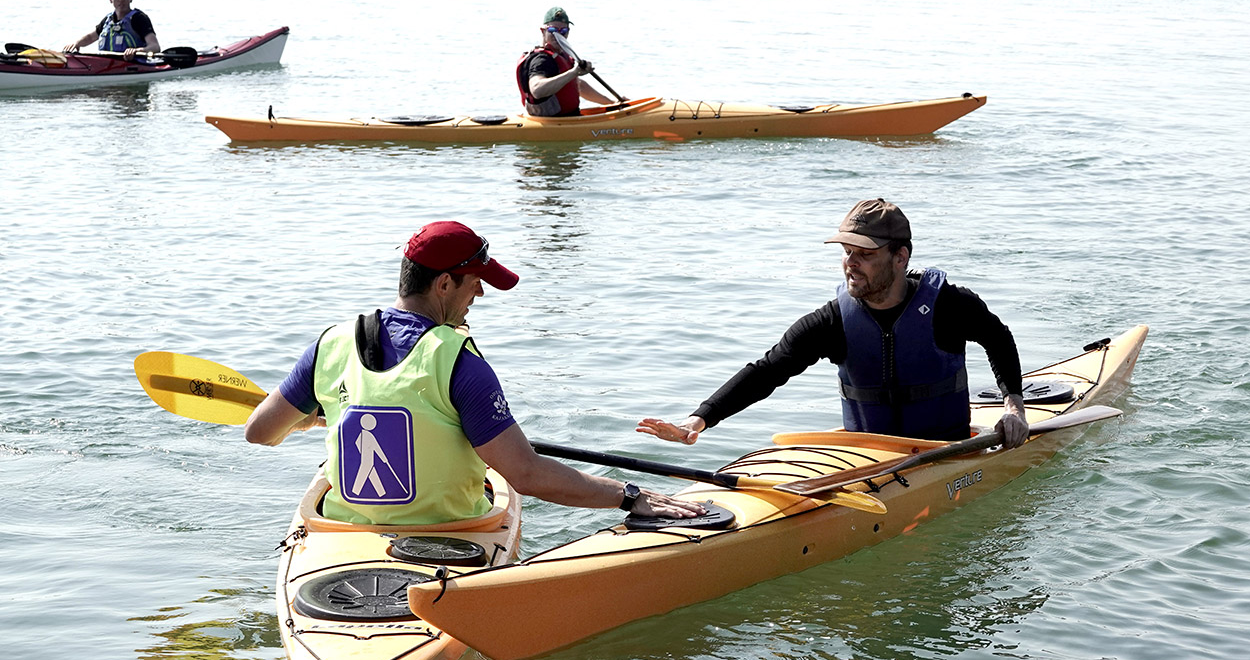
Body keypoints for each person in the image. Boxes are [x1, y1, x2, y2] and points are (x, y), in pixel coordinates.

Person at [244, 220, 706, 526]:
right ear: (445, 283)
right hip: (448, 536)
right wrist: (629, 495)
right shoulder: (459, 361)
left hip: (343, 534)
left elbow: (260, 432)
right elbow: (526, 474)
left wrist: (308, 417)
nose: (480, 295)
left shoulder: (330, 343)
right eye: (476, 282)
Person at [638, 198, 1031, 450]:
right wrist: (699, 419)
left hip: (947, 451)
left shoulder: (949, 305)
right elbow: (768, 370)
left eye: (865, 254)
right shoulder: (833, 321)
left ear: (900, 257)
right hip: (867, 456)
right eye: (846, 252)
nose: (850, 263)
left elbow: (998, 339)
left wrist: (1014, 406)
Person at [515, 6, 616, 116]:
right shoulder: (542, 60)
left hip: (570, 117)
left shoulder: (561, 55)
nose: (558, 35)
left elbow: (578, 85)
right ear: (543, 31)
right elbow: (537, 90)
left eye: (563, 31)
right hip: (552, 121)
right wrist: (574, 72)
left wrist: (612, 104)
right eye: (553, 30)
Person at [64, 0, 160, 60]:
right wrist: (76, 44)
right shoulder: (108, 20)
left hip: (134, 66)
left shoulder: (139, 18)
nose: (120, 0)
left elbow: (155, 47)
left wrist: (136, 51)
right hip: (108, 66)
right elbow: (91, 37)